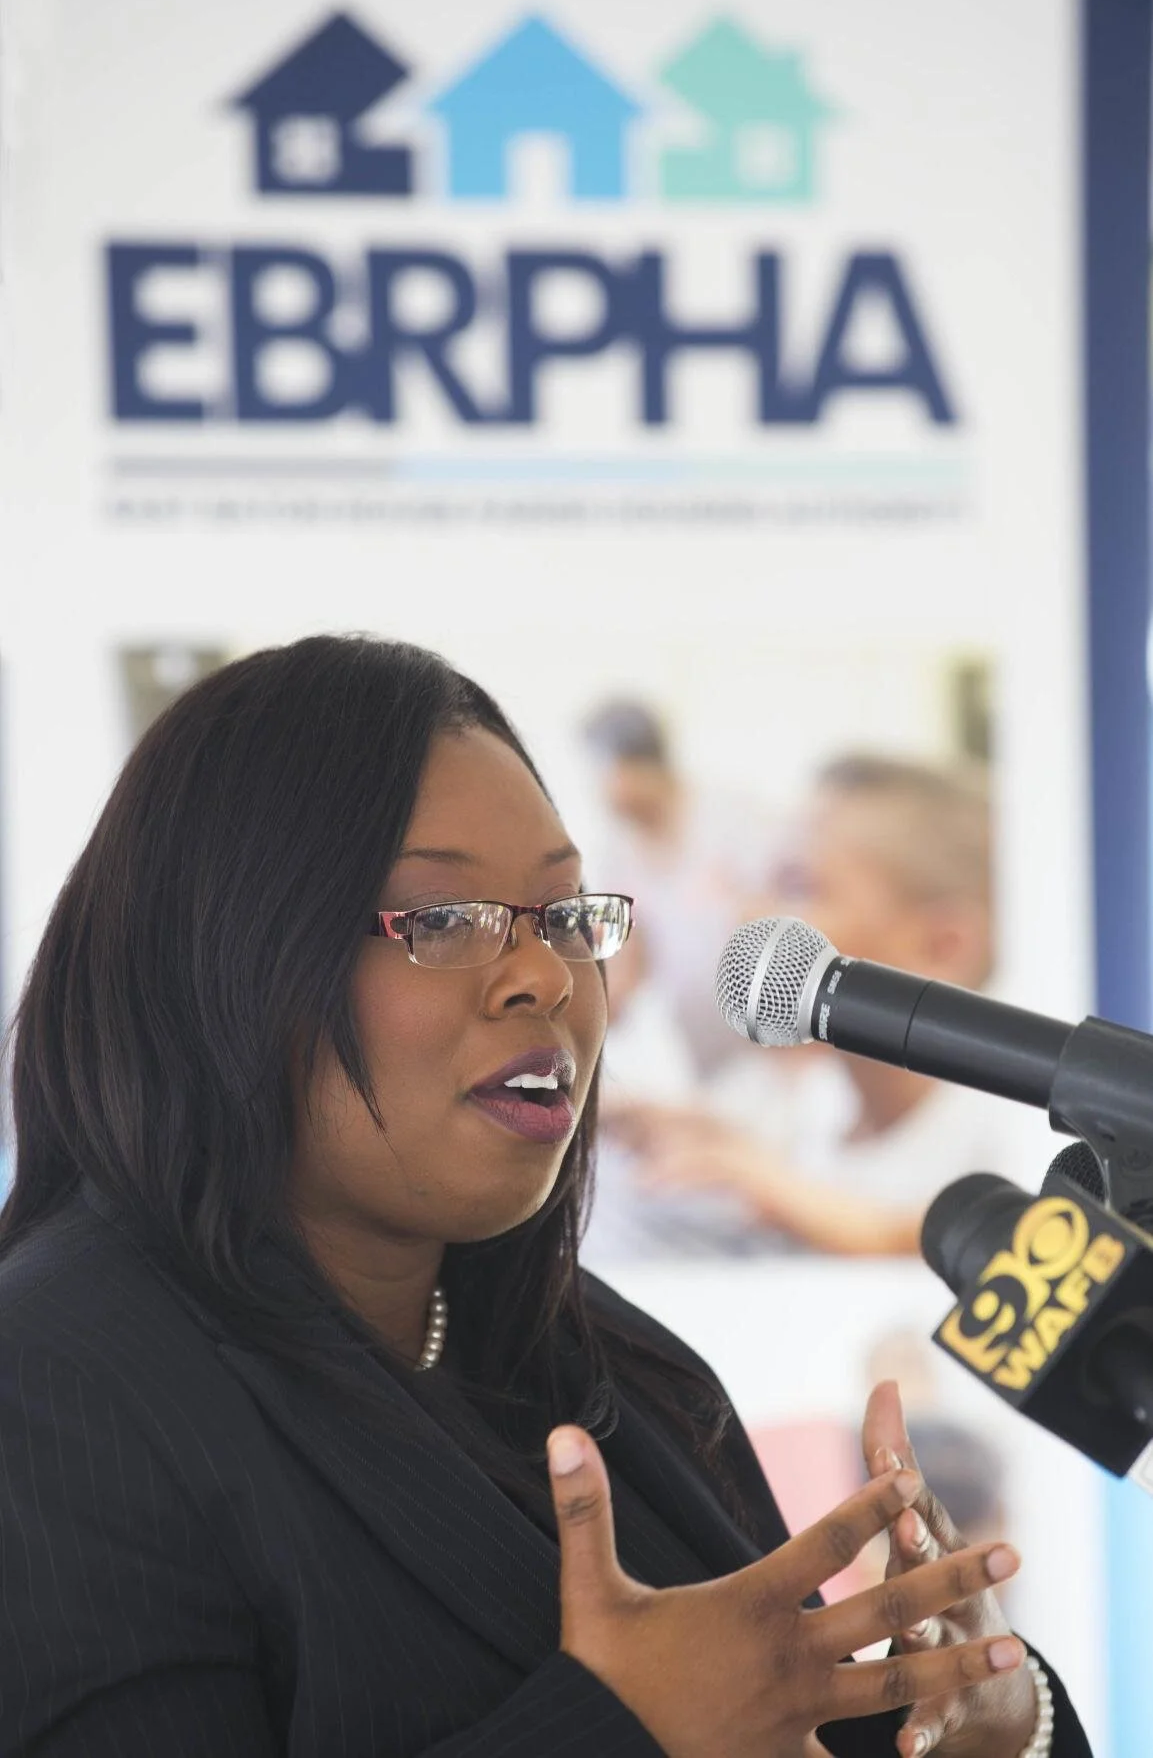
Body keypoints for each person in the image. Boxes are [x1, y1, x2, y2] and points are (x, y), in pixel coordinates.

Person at [0, 637, 1086, 1757]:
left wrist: (988, 1726)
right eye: (444, 920)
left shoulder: (610, 1368)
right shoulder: (51, 1382)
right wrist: (619, 1735)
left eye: (565, 916)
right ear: (226, 954)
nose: (547, 975)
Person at [600, 754, 1033, 1259]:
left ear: (942, 946)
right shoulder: (812, 1098)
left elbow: (949, 1239)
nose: (752, 914)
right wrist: (712, 1140)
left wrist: (769, 1182)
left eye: (799, 887)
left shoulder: (1004, 1123)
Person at [581, 697, 778, 1079]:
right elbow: (627, 957)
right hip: (703, 1057)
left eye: (607, 772)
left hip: (768, 1043)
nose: (602, 790)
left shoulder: (733, 820)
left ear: (641, 764)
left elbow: (781, 919)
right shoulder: (618, 851)